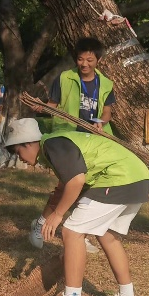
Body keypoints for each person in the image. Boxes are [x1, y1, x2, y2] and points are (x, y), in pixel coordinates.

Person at [5, 118, 149, 296]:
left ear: (28, 143)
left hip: (118, 178)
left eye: (18, 152)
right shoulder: (56, 146)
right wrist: (42, 220)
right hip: (139, 178)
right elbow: (61, 190)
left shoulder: (53, 145)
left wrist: (58, 216)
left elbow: (76, 181)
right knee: (107, 236)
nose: (20, 159)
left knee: (71, 231)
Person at [32, 37, 116, 254]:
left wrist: (102, 123)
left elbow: (107, 112)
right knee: (64, 186)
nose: (85, 64)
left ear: (98, 60)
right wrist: (42, 108)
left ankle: (81, 234)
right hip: (68, 139)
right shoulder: (64, 78)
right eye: (80, 59)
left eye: (90, 59)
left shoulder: (105, 84)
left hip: (93, 141)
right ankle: (40, 223)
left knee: (89, 189)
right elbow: (53, 105)